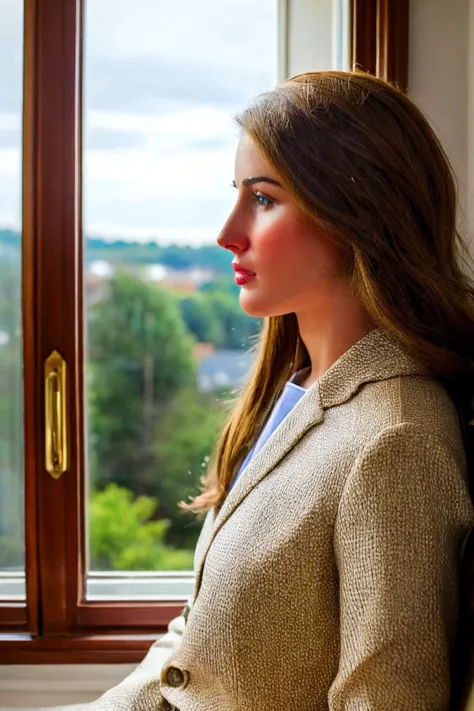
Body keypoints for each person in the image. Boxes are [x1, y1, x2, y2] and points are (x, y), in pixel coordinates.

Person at [21, 70, 474, 711]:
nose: (227, 231)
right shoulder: (290, 398)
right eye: (238, 194)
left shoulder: (395, 439)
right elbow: (192, 649)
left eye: (263, 199)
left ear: (357, 213)